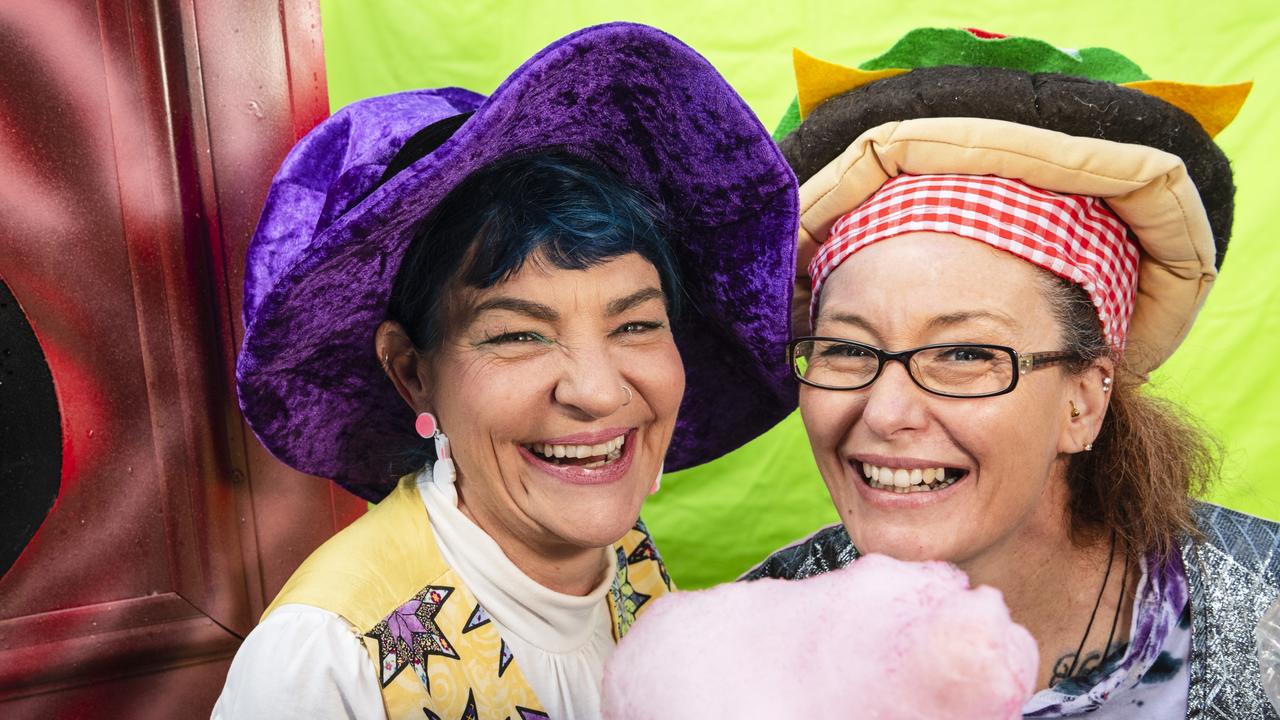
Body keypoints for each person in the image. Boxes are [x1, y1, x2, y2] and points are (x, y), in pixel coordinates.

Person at [214, 23, 798, 719]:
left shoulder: (627, 563)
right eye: (519, 334)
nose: (598, 391)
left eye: (635, 324)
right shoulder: (325, 663)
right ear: (412, 374)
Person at [744, 28, 1280, 718]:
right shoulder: (759, 644)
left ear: (1082, 403)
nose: (885, 412)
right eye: (847, 350)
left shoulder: (1262, 608)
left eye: (965, 353)